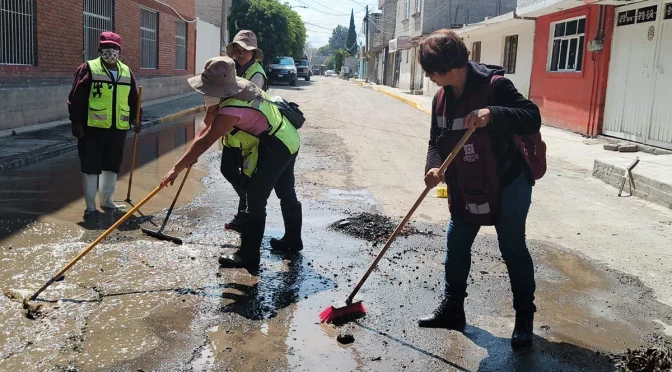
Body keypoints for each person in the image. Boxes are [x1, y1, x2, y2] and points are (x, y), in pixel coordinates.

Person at [416, 29, 542, 349]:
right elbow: (436, 140)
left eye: (431, 70)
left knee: (512, 246)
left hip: (508, 181)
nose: (428, 76)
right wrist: (433, 167)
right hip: (467, 182)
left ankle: (524, 318)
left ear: (448, 66)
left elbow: (531, 117)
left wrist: (492, 114)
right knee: (456, 244)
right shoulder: (441, 98)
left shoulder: (495, 87)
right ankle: (453, 309)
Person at [161, 56, 302, 271]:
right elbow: (206, 128)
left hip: (278, 145)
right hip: (287, 137)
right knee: (285, 192)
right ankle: (292, 241)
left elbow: (207, 139)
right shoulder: (242, 89)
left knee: (255, 197)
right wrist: (191, 154)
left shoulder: (231, 110)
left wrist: (175, 168)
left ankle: (248, 256)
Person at [68, 31, 141, 218]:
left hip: (118, 128)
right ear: (100, 49)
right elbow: (76, 98)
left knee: (112, 164)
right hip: (92, 129)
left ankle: (107, 201)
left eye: (115, 48)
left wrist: (136, 118)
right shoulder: (88, 68)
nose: (111, 51)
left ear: (120, 50)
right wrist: (76, 123)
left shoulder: (126, 71)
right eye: (107, 47)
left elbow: (133, 99)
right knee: (90, 165)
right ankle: (91, 207)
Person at [220, 30, 268, 232]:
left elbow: (244, 105)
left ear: (254, 53)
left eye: (245, 50)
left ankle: (244, 219)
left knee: (247, 179)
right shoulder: (234, 69)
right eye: (237, 50)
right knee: (227, 169)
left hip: (249, 136)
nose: (241, 54)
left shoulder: (256, 74)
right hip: (233, 135)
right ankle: (245, 203)